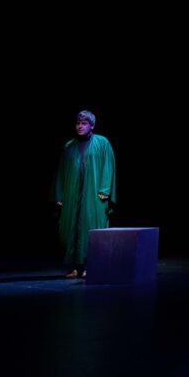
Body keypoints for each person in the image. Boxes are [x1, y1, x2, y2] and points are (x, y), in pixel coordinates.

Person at [54, 110, 116, 278]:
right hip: (73, 195)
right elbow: (61, 172)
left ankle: (92, 265)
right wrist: (59, 195)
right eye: (77, 123)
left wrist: (105, 189)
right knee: (71, 229)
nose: (79, 126)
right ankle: (77, 267)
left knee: (92, 227)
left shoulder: (102, 143)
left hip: (94, 193)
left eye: (84, 123)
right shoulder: (69, 146)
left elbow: (108, 166)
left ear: (92, 125)